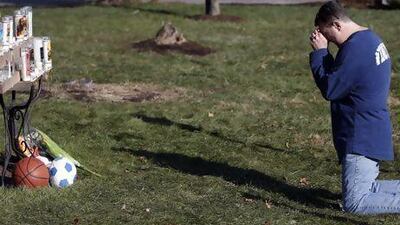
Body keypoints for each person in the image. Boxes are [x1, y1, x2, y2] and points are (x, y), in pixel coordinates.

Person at [309, 0, 400, 214]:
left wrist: (320, 53)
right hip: (372, 129)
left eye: (326, 33)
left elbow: (331, 89)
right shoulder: (369, 39)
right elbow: (342, 78)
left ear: (337, 25)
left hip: (360, 135)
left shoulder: (356, 49)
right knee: (366, 189)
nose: (326, 40)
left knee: (355, 203)